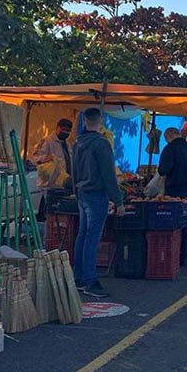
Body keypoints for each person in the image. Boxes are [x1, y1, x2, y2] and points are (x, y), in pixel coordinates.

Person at [72, 109, 124, 298]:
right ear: (101, 121)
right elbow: (108, 174)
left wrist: (75, 191)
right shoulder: (102, 144)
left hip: (82, 193)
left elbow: (74, 171)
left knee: (83, 235)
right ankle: (90, 281)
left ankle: (79, 277)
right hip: (97, 194)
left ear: (84, 121)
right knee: (92, 237)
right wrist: (118, 201)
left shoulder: (77, 143)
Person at [158, 127, 187, 265]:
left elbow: (164, 169)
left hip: (174, 189)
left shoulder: (169, 149)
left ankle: (173, 254)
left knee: (172, 221)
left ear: (169, 136)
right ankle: (185, 255)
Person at [31, 118, 73, 219]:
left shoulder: (67, 143)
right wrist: (46, 158)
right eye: (63, 130)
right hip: (50, 184)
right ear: (57, 128)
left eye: (68, 131)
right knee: (50, 213)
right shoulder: (47, 141)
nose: (65, 133)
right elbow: (34, 158)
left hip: (64, 183)